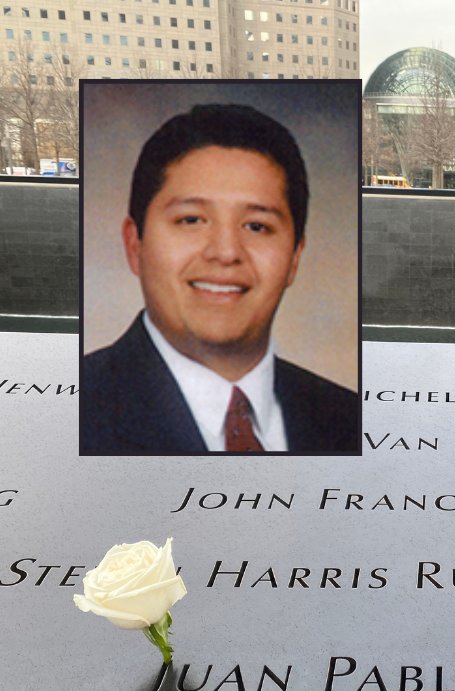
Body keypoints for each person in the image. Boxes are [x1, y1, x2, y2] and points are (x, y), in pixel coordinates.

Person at [81, 104, 359, 455]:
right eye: (192, 220)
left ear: (294, 258)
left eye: (257, 226)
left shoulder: (349, 418)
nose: (226, 252)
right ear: (135, 244)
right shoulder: (71, 409)